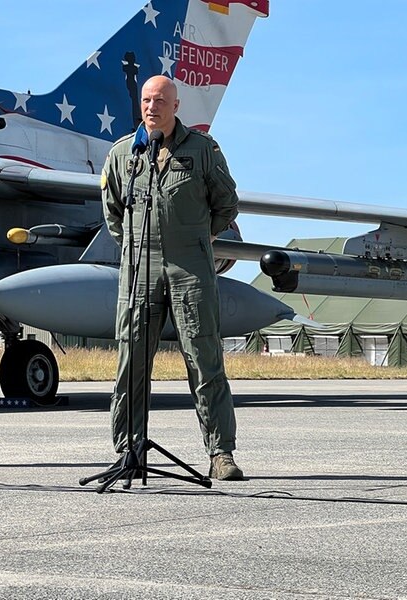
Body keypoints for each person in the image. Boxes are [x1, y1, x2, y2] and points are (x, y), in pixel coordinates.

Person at [100, 76, 244, 480]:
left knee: (204, 359)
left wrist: (200, 237)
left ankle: (221, 453)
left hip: (189, 268)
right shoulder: (122, 155)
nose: (151, 107)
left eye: (160, 100)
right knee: (131, 362)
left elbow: (226, 203)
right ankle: (129, 450)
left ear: (176, 106)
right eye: (146, 100)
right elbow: (113, 213)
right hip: (140, 268)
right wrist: (133, 247)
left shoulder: (202, 151)